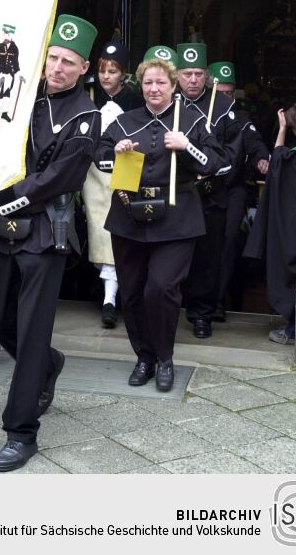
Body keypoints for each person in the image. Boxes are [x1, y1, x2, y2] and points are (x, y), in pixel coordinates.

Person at [0, 14, 100, 472]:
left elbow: (54, 179)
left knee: (32, 330)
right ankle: (46, 364)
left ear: (85, 68)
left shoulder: (87, 117)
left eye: (68, 62)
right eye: (53, 58)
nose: (57, 68)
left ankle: (21, 432)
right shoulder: (23, 100)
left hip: (45, 233)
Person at [95, 47, 230, 393]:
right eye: (148, 83)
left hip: (177, 218)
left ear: (174, 85)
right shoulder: (125, 121)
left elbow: (217, 163)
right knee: (134, 293)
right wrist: (117, 151)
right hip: (128, 215)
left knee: (162, 287)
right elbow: (99, 157)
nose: (154, 89)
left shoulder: (193, 121)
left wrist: (186, 147)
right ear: (141, 87)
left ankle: (165, 358)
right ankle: (144, 357)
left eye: (161, 83)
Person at [175, 42, 242, 339]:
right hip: (175, 193)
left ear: (207, 76)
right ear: (177, 75)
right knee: (172, 256)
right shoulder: (167, 101)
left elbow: (233, 154)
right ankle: (168, 310)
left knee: (206, 258)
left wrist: (214, 168)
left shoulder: (224, 105)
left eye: (198, 74)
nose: (192, 80)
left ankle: (201, 314)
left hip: (210, 195)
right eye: (187, 73)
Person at [82, 38, 141, 328]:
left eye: (113, 71)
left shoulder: (134, 99)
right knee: (99, 228)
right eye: (103, 70)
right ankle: (107, 296)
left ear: (123, 74)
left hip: (126, 166)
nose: (106, 76)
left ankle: (117, 296)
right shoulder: (88, 96)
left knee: (122, 227)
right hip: (95, 170)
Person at [207, 61, 270, 321]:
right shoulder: (196, 115)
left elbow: (255, 143)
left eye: (229, 93)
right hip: (201, 191)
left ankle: (219, 301)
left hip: (232, 190)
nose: (224, 97)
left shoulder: (241, 120)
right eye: (219, 92)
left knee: (229, 239)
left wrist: (262, 159)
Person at [243, 103, 296, 344]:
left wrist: (281, 129)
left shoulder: (293, 158)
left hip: (292, 227)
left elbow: (276, 161)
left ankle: (293, 330)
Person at [0, 24, 20, 123]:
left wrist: (18, 72)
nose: (5, 36)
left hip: (9, 74)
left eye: (8, 34)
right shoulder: (0, 46)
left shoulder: (15, 48)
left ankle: (4, 114)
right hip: (0, 74)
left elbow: (15, 61)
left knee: (6, 93)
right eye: (5, 34)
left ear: (11, 35)